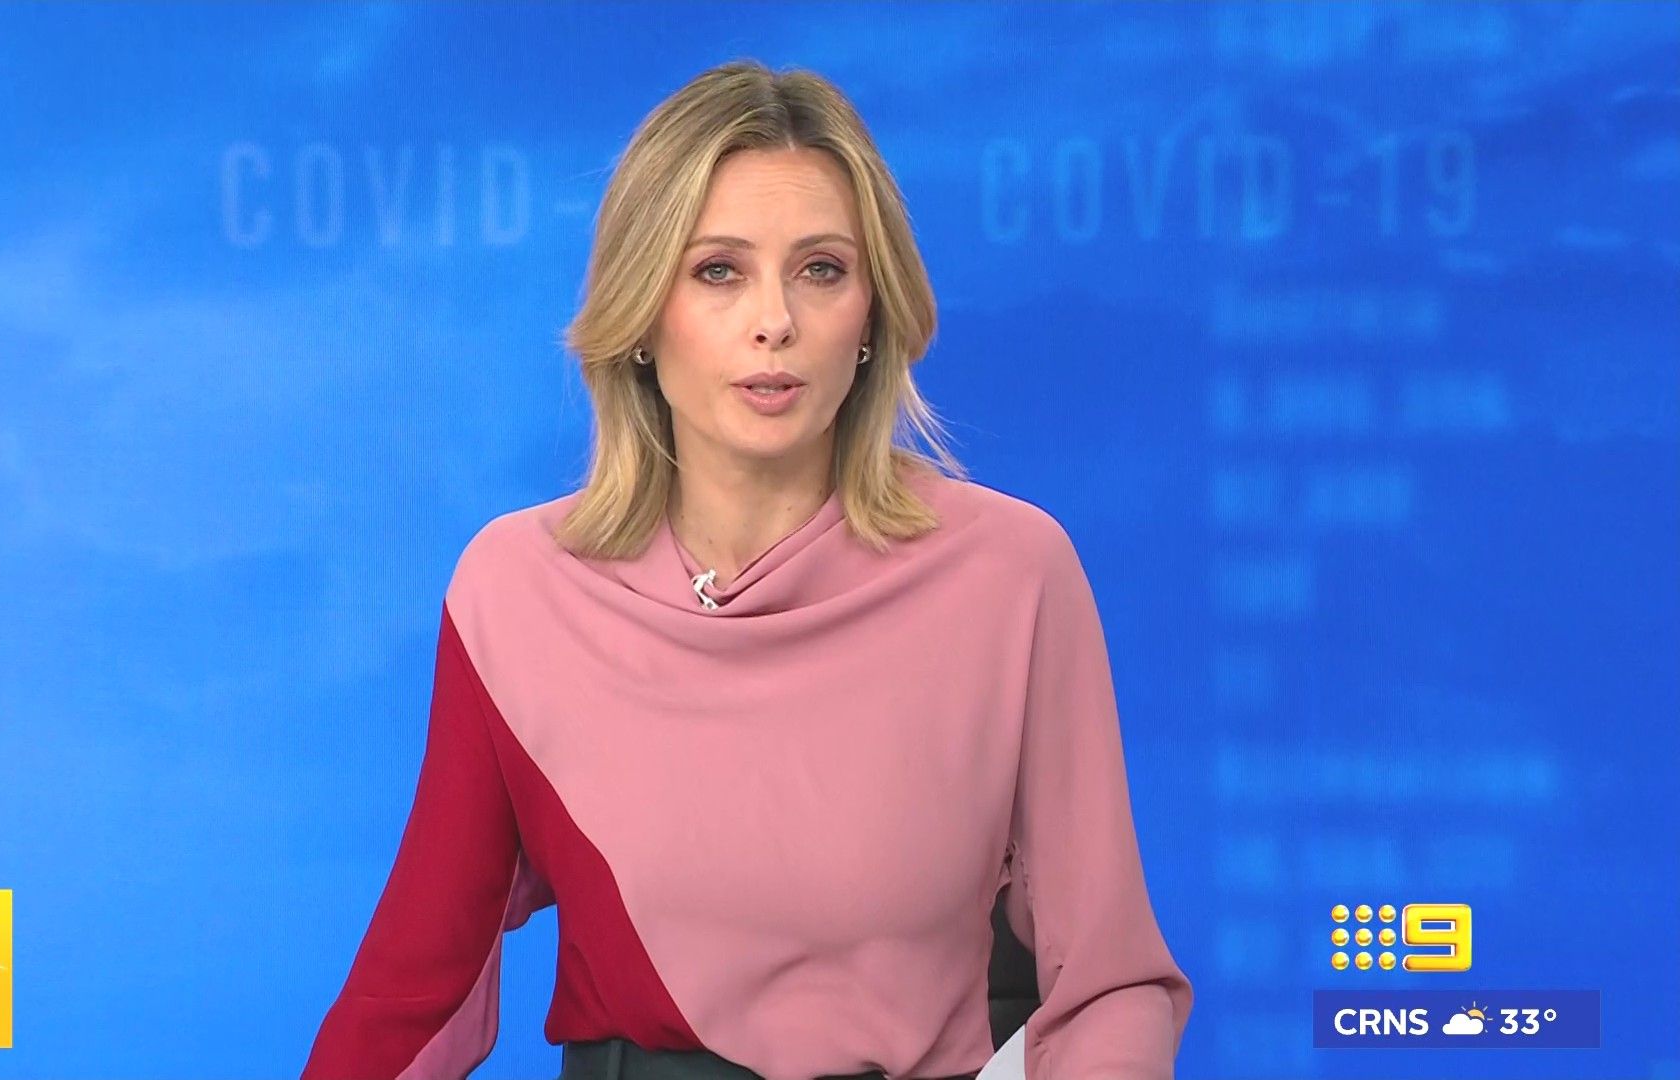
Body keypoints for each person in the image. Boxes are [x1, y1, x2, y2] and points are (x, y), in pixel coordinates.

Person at [300, 58, 1193, 1080]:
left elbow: (1109, 989)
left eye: (822, 270)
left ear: (872, 316)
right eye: (718, 271)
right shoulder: (516, 590)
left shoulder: (1011, 575)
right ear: (643, 312)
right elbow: (413, 997)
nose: (776, 320)